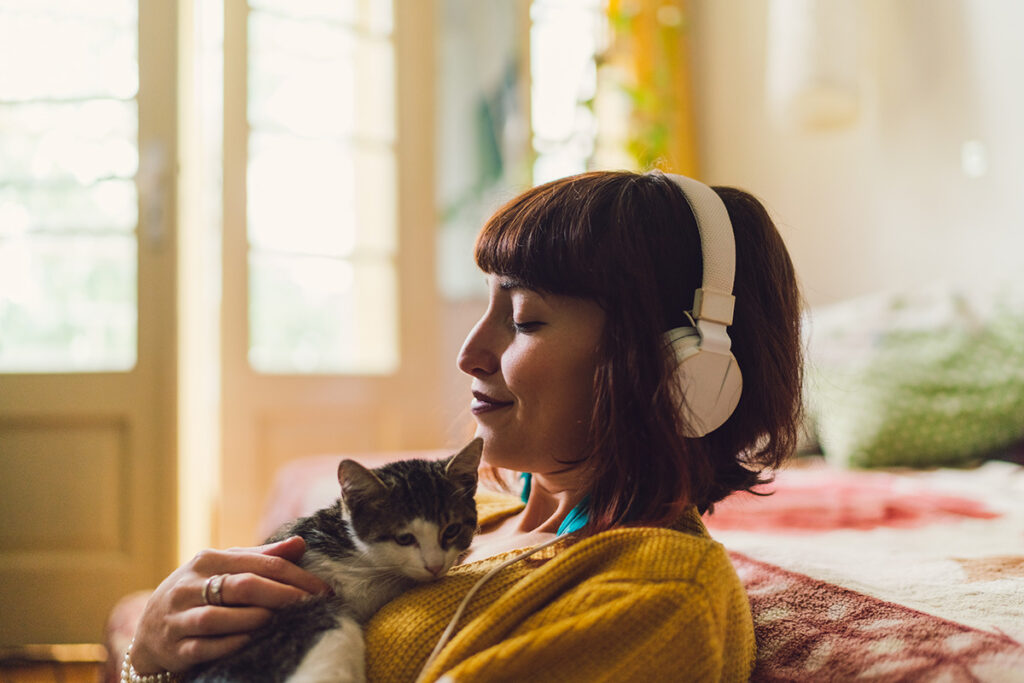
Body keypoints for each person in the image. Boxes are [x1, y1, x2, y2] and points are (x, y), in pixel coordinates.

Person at [127, 170, 802, 682]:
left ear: (677, 371)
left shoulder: (655, 594)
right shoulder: (476, 514)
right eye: (488, 305)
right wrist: (150, 654)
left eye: (527, 318)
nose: (470, 352)